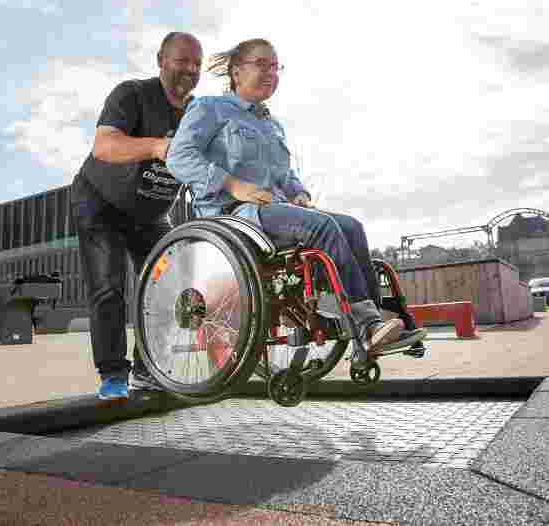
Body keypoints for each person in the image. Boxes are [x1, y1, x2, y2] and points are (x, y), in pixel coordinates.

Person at [165, 38, 425, 370]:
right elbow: (179, 157)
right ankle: (367, 326)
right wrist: (232, 184)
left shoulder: (271, 124)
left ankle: (373, 328)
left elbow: (284, 176)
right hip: (232, 216)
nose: (270, 72)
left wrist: (298, 192)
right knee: (322, 226)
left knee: (351, 226)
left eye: (275, 67)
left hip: (274, 212)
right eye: (261, 64)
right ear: (236, 71)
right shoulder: (209, 108)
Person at [71, 32, 203, 400]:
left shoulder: (198, 114)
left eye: (197, 64)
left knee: (171, 283)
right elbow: (104, 145)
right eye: (182, 60)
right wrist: (159, 146)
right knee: (109, 286)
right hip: (100, 203)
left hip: (148, 214)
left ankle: (147, 370)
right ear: (161, 59)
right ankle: (113, 375)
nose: (190, 69)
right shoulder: (131, 94)